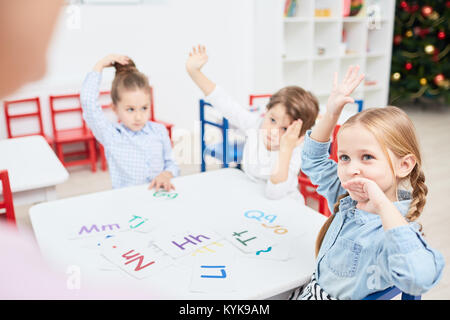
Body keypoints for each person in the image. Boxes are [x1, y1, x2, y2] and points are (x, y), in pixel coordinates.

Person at [290, 65, 444, 300]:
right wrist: (331, 114)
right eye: (344, 157)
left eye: (368, 157)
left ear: (404, 165)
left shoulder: (390, 231)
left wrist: (383, 206)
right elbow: (313, 161)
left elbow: (418, 278)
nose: (352, 169)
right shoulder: (348, 197)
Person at [186, 45, 319, 200]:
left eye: (284, 128)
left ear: (299, 136)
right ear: (266, 111)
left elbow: (273, 193)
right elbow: (225, 103)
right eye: (272, 120)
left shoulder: (294, 151)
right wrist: (194, 72)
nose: (273, 131)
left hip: (285, 205)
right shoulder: (257, 125)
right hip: (253, 196)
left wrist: (286, 150)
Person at [81, 54, 179, 190]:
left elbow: (171, 164)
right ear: (114, 108)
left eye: (144, 108)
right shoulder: (112, 135)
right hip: (128, 202)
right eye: (130, 109)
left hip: (159, 196)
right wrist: (100, 65)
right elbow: (88, 103)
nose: (139, 117)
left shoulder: (159, 131)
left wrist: (166, 175)